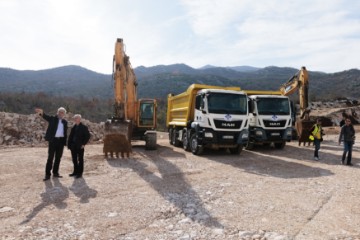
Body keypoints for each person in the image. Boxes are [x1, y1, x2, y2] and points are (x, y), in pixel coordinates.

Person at [35, 107, 68, 181]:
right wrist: (41, 112)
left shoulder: (65, 122)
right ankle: (47, 175)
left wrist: (65, 142)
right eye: (60, 112)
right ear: (57, 112)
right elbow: (45, 116)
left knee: (58, 158)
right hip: (53, 141)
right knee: (50, 157)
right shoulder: (52, 119)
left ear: (64, 114)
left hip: (61, 142)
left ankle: (55, 173)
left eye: (63, 112)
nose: (61, 113)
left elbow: (65, 133)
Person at [67, 114, 90, 178]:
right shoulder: (73, 127)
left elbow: (88, 136)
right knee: (74, 159)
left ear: (79, 119)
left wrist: (83, 144)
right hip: (73, 146)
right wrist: (69, 145)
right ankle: (75, 172)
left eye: (76, 118)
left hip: (80, 146)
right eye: (74, 118)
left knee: (80, 160)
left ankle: (80, 173)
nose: (75, 119)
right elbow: (71, 136)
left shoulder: (84, 127)